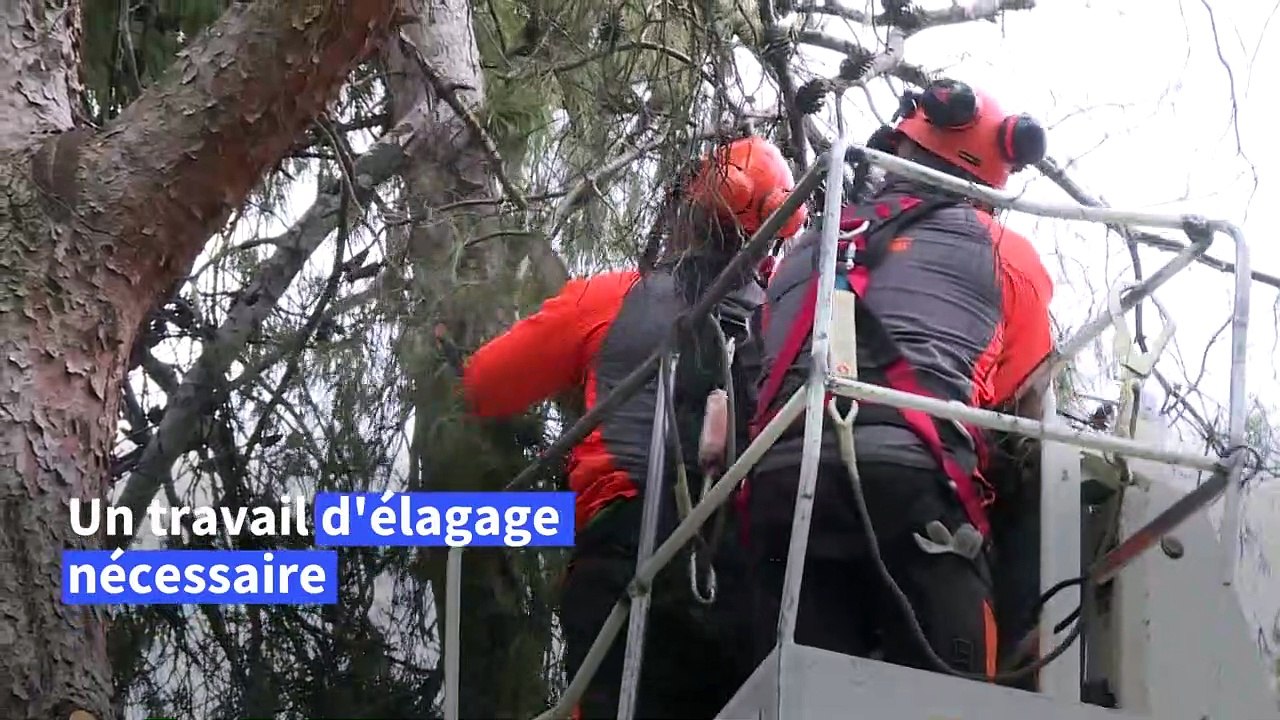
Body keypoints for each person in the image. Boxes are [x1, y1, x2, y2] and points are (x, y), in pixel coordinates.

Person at [461, 135, 808, 718]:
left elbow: (485, 386)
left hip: (623, 553)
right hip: (752, 573)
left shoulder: (612, 297)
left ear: (684, 213)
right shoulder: (785, 326)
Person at [742, 78, 1052, 682]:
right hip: (913, 488)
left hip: (783, 489)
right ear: (993, 175)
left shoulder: (810, 245)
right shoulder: (1004, 252)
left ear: (901, 146)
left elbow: (761, 362)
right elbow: (1018, 392)